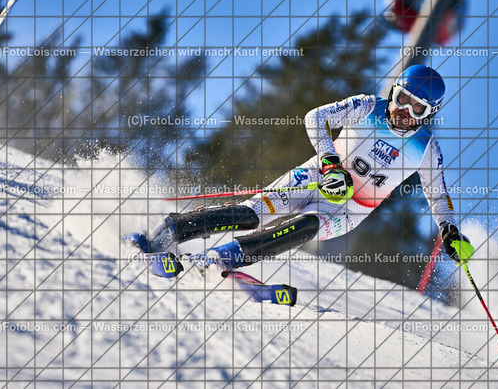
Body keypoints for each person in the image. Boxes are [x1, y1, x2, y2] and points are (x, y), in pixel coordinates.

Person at [123, 65, 474, 276]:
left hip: (350, 208)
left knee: (305, 227)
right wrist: (330, 162)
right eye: (402, 99)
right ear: (394, 92)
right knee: (251, 214)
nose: (404, 112)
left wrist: (450, 230)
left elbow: (438, 195)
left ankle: (223, 258)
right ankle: (172, 229)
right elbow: (315, 117)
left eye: (417, 109)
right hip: (318, 176)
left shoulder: (427, 149)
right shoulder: (368, 106)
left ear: (428, 114)